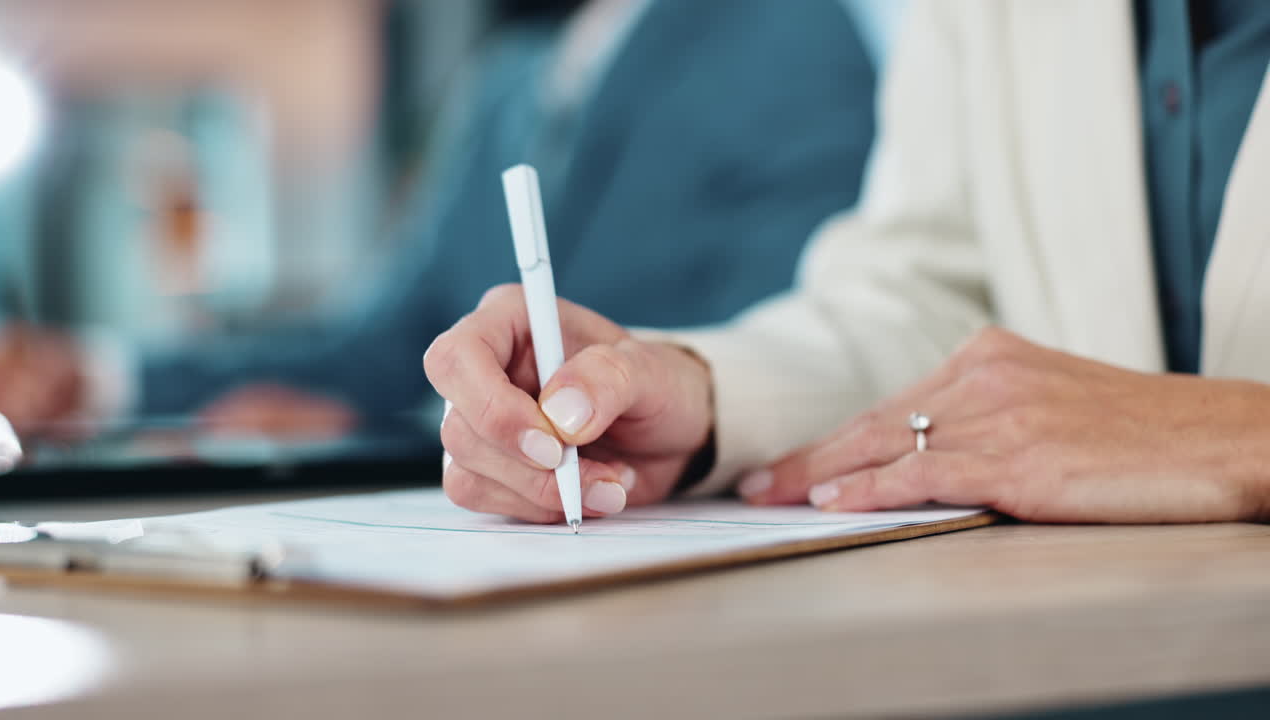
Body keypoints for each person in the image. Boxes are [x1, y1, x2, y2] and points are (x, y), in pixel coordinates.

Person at [422, 0, 1270, 523]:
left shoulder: (784, 42)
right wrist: (703, 399)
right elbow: (929, 297)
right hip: (1098, 641)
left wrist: (1236, 437)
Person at [0, 0, 877, 445]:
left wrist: (373, 440)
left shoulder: (794, 36)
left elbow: (790, 344)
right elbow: (387, 340)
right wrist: (102, 379)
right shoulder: (508, 79)